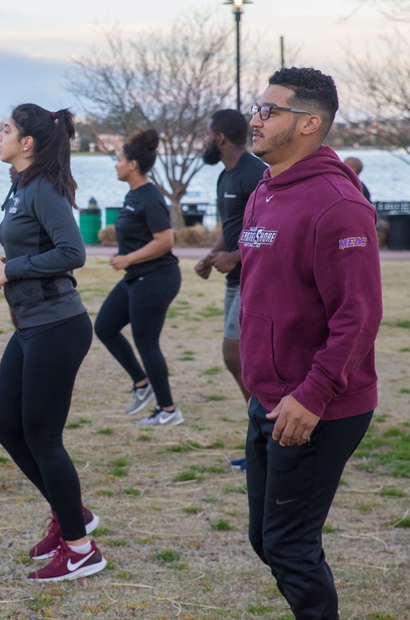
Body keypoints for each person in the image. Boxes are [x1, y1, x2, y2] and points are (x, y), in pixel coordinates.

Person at [241, 67, 381, 620]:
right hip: (268, 397)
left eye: (269, 111)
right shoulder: (265, 191)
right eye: (259, 107)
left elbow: (359, 315)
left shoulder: (338, 204)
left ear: (309, 123)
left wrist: (313, 395)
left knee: (290, 547)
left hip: (318, 405)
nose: (256, 118)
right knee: (267, 539)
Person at [0, 104, 106, 582]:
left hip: (59, 327)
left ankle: (81, 549)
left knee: (42, 436)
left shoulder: (43, 187)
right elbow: (34, 246)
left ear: (28, 142)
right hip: (33, 326)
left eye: (6, 129)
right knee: (4, 424)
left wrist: (12, 269)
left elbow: (72, 252)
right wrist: (13, 260)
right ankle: (70, 512)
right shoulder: (20, 186)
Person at [94, 129, 183, 426]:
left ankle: (169, 410)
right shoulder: (133, 194)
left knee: (147, 343)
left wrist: (127, 259)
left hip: (157, 277)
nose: (116, 164)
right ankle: (142, 385)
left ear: (132, 164)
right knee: (105, 326)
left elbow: (165, 240)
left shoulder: (150, 196)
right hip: (138, 276)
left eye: (119, 159)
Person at [195, 109, 266, 470]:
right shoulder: (226, 176)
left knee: (235, 357)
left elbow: (271, 228)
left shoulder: (255, 173)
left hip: (254, 281)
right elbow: (234, 225)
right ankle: (262, 442)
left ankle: (268, 439)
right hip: (233, 279)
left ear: (220, 137)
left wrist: (236, 258)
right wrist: (212, 256)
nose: (204, 141)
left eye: (206, 134)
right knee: (240, 361)